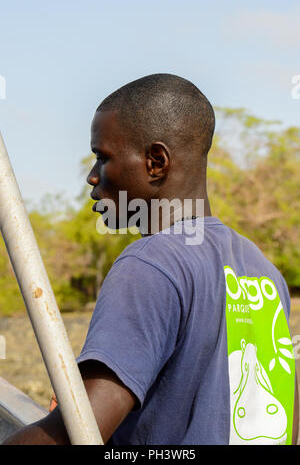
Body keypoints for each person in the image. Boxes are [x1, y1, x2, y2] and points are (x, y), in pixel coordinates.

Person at [3, 74, 298, 445]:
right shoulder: (262, 270)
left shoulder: (150, 264)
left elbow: (81, 431)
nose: (92, 177)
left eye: (102, 158)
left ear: (156, 161)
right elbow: (286, 417)